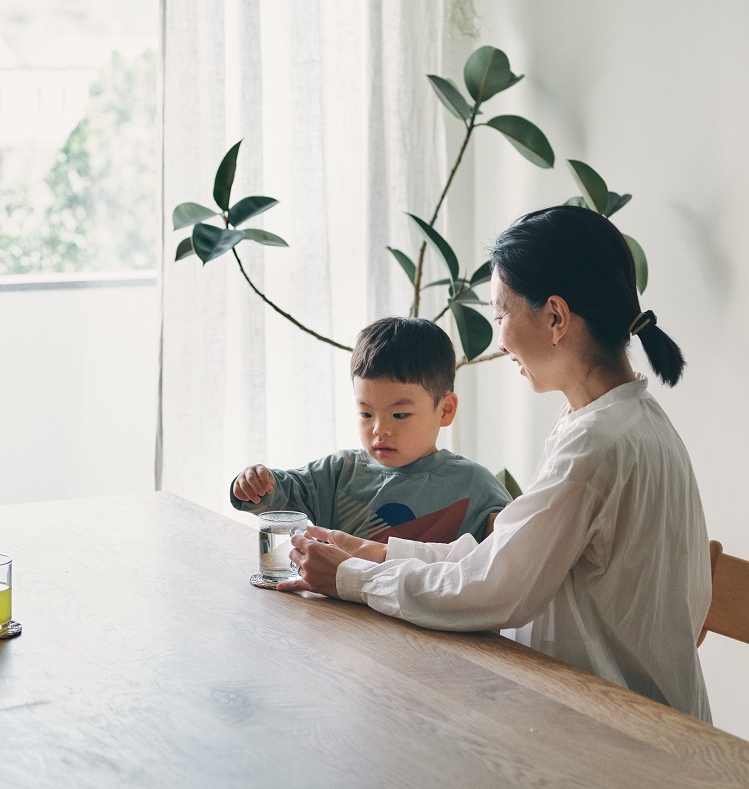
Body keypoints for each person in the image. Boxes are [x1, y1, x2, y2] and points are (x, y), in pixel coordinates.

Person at [281, 205, 711, 721]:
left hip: (620, 727)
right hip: (620, 711)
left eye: (501, 314)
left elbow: (495, 589)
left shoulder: (596, 444)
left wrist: (351, 578)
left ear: (555, 318)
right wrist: (376, 553)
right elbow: (505, 556)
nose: (500, 338)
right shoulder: (629, 419)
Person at [231, 317, 511, 544]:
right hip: (335, 600)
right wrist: (258, 485)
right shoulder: (339, 472)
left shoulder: (475, 486)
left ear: (445, 410)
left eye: (399, 415)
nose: (380, 429)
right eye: (366, 413)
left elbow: (512, 556)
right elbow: (285, 494)